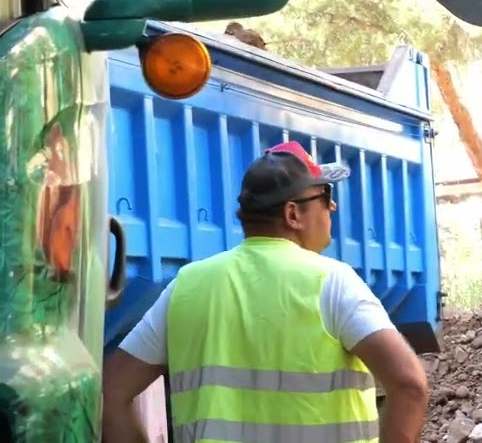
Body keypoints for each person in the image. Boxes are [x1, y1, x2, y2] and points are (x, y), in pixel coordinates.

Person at [102, 140, 429, 443]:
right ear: (292, 214)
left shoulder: (186, 287)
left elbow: (111, 395)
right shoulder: (333, 282)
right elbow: (409, 385)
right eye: (325, 196)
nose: (333, 207)